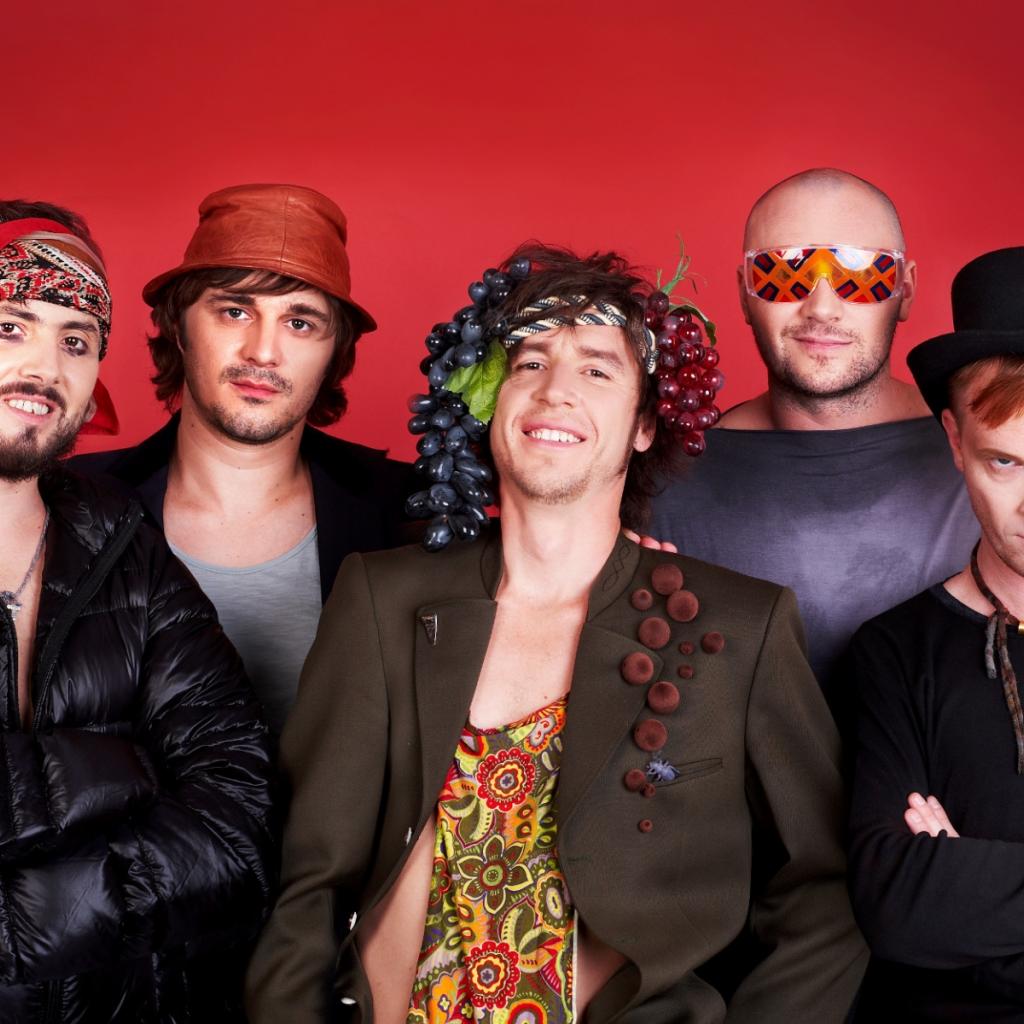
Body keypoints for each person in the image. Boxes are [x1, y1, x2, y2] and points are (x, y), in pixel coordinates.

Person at [245, 243, 866, 1022]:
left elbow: (822, 890)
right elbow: (308, 885)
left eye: (597, 370)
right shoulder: (382, 598)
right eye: (529, 362)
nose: (555, 391)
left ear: (645, 424)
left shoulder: (740, 626)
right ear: (488, 399)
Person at [0, 202, 275, 1021]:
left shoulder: (126, 548)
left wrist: (20, 926)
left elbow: (238, 825)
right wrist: (118, 775)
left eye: (76, 341)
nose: (45, 368)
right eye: (11, 328)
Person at [71, 184, 414, 737]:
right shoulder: (68, 504)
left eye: (300, 323)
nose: (263, 351)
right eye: (235, 311)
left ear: (335, 352)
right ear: (179, 325)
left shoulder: (408, 512)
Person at [648, 168, 978, 699]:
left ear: (906, 290)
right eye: (784, 272)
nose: (822, 307)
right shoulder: (666, 474)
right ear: (745, 293)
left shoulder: (990, 457)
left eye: (861, 273)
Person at [846, 246, 1024, 1019]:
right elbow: (898, 908)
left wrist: (972, 890)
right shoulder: (893, 652)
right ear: (954, 442)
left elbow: (942, 909)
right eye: (1006, 463)